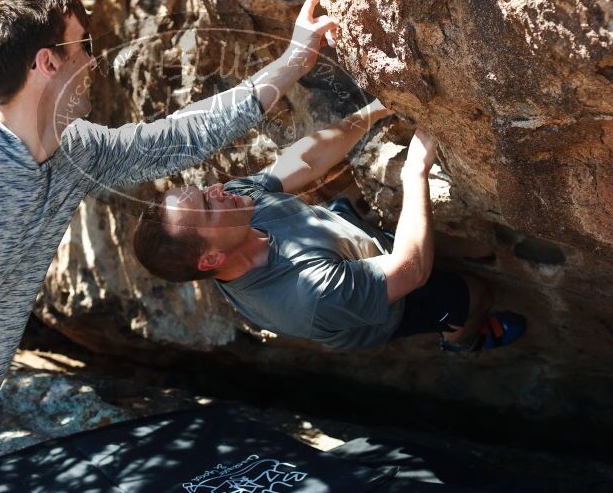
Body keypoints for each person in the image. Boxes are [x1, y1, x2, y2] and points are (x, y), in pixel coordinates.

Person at [0, 0, 336, 490]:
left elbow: (184, 135)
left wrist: (294, 59)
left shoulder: (75, 153)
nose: (93, 61)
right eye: (82, 45)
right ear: (47, 62)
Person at [133, 100, 526, 351]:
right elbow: (412, 270)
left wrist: (376, 109)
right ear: (211, 258)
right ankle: (463, 339)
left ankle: (350, 235)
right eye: (207, 204)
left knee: (338, 220)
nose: (218, 189)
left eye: (203, 190)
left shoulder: (237, 207)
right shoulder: (309, 293)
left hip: (338, 249)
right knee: (473, 294)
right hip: (388, 307)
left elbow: (305, 162)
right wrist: (415, 171)